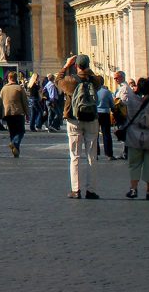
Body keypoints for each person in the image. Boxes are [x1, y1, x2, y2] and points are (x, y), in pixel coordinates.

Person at [55, 54, 103, 199]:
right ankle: (91, 190)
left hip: (74, 119)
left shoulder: (70, 81)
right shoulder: (94, 80)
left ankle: (76, 190)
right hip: (92, 119)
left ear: (76, 66)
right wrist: (88, 71)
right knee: (91, 156)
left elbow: (58, 80)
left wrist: (66, 65)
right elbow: (99, 79)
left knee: (74, 156)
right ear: (88, 65)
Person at [0, 71, 29, 157]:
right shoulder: (19, 88)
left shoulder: (3, 88)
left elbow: (0, 102)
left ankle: (16, 151)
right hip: (18, 112)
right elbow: (25, 102)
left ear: (8, 78)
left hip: (7, 113)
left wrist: (1, 114)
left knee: (12, 132)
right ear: (16, 78)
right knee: (21, 131)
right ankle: (14, 143)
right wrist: (27, 113)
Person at [96, 80, 116, 160]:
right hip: (105, 113)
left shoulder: (94, 91)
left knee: (95, 134)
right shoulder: (107, 92)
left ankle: (95, 154)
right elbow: (112, 104)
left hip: (95, 113)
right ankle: (109, 154)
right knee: (106, 134)